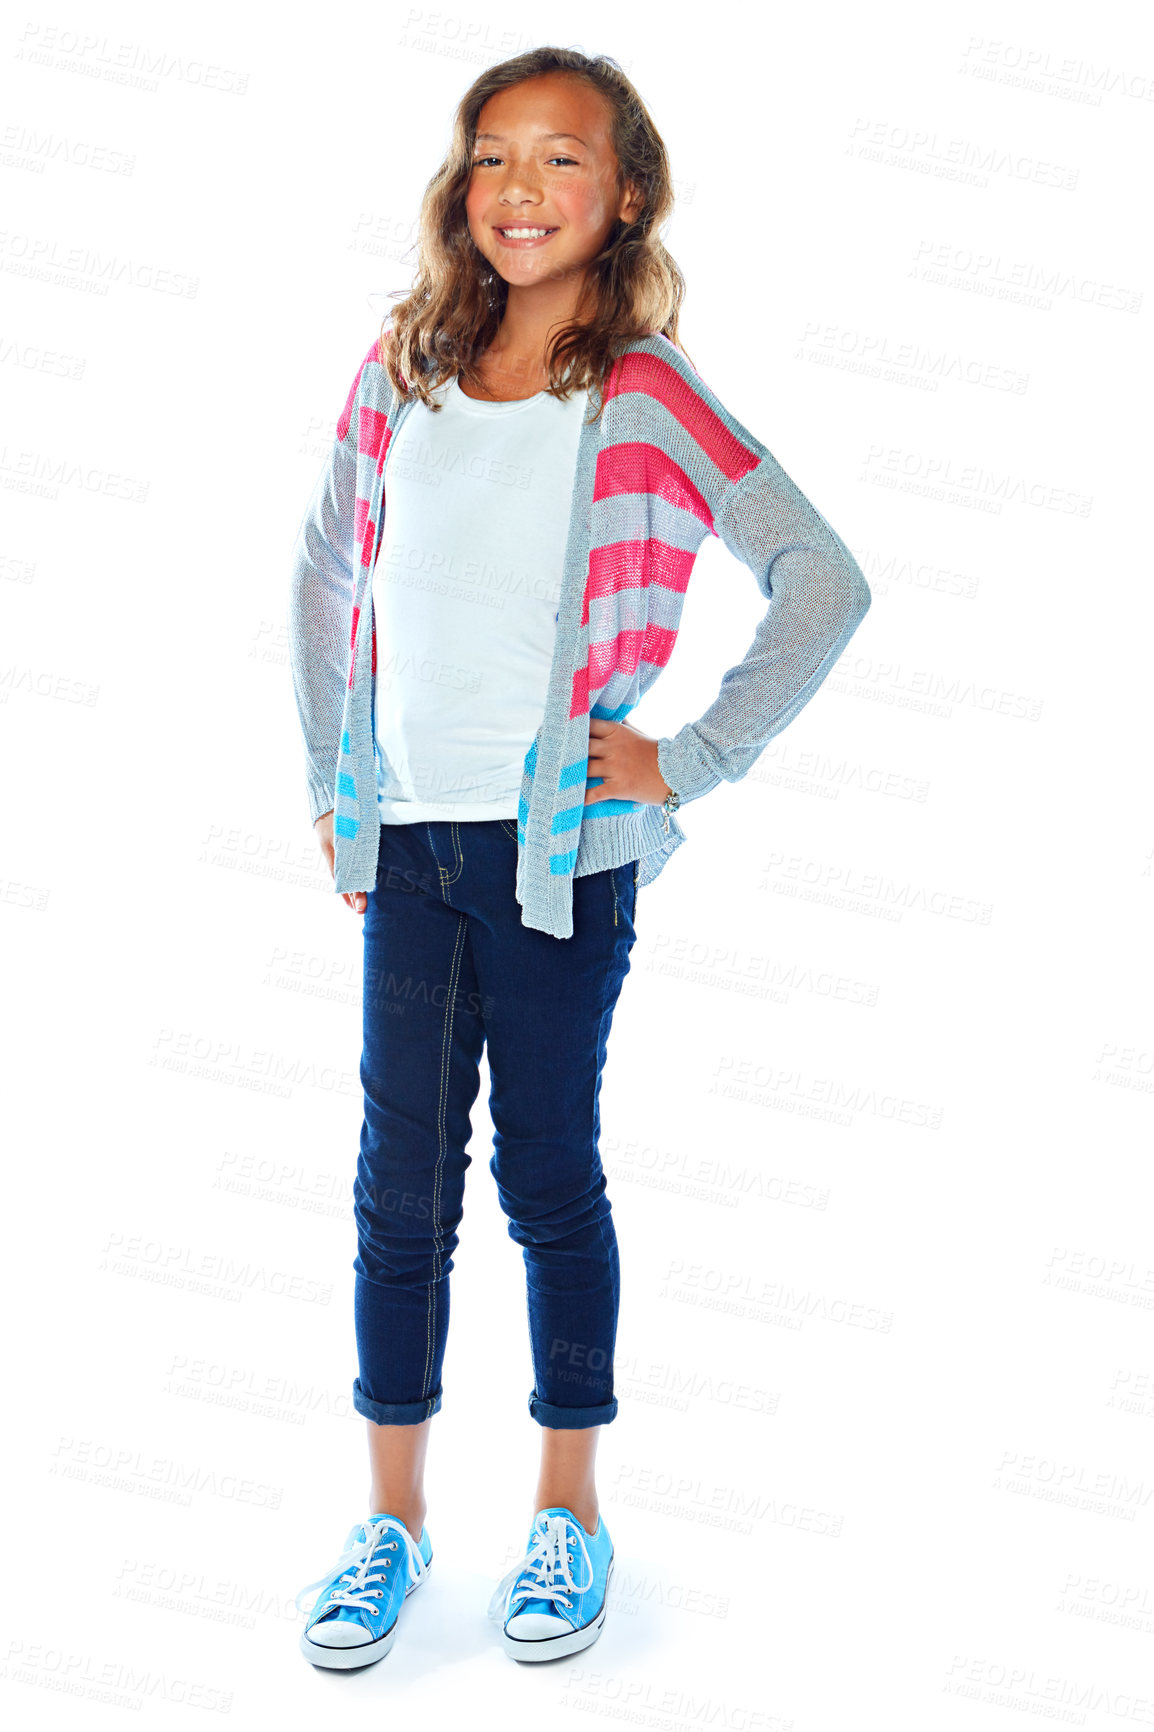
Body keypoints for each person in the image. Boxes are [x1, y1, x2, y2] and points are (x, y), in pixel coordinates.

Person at [287, 45, 871, 1670]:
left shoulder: (645, 387)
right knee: (397, 1192)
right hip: (407, 844)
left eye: (559, 160)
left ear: (623, 195)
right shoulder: (399, 368)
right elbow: (327, 563)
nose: (519, 189)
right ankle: (390, 1522)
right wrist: (336, 782)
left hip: (564, 852)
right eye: (491, 157)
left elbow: (820, 579)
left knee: (546, 1169)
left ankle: (567, 1514)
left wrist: (686, 759)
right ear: (457, 189)